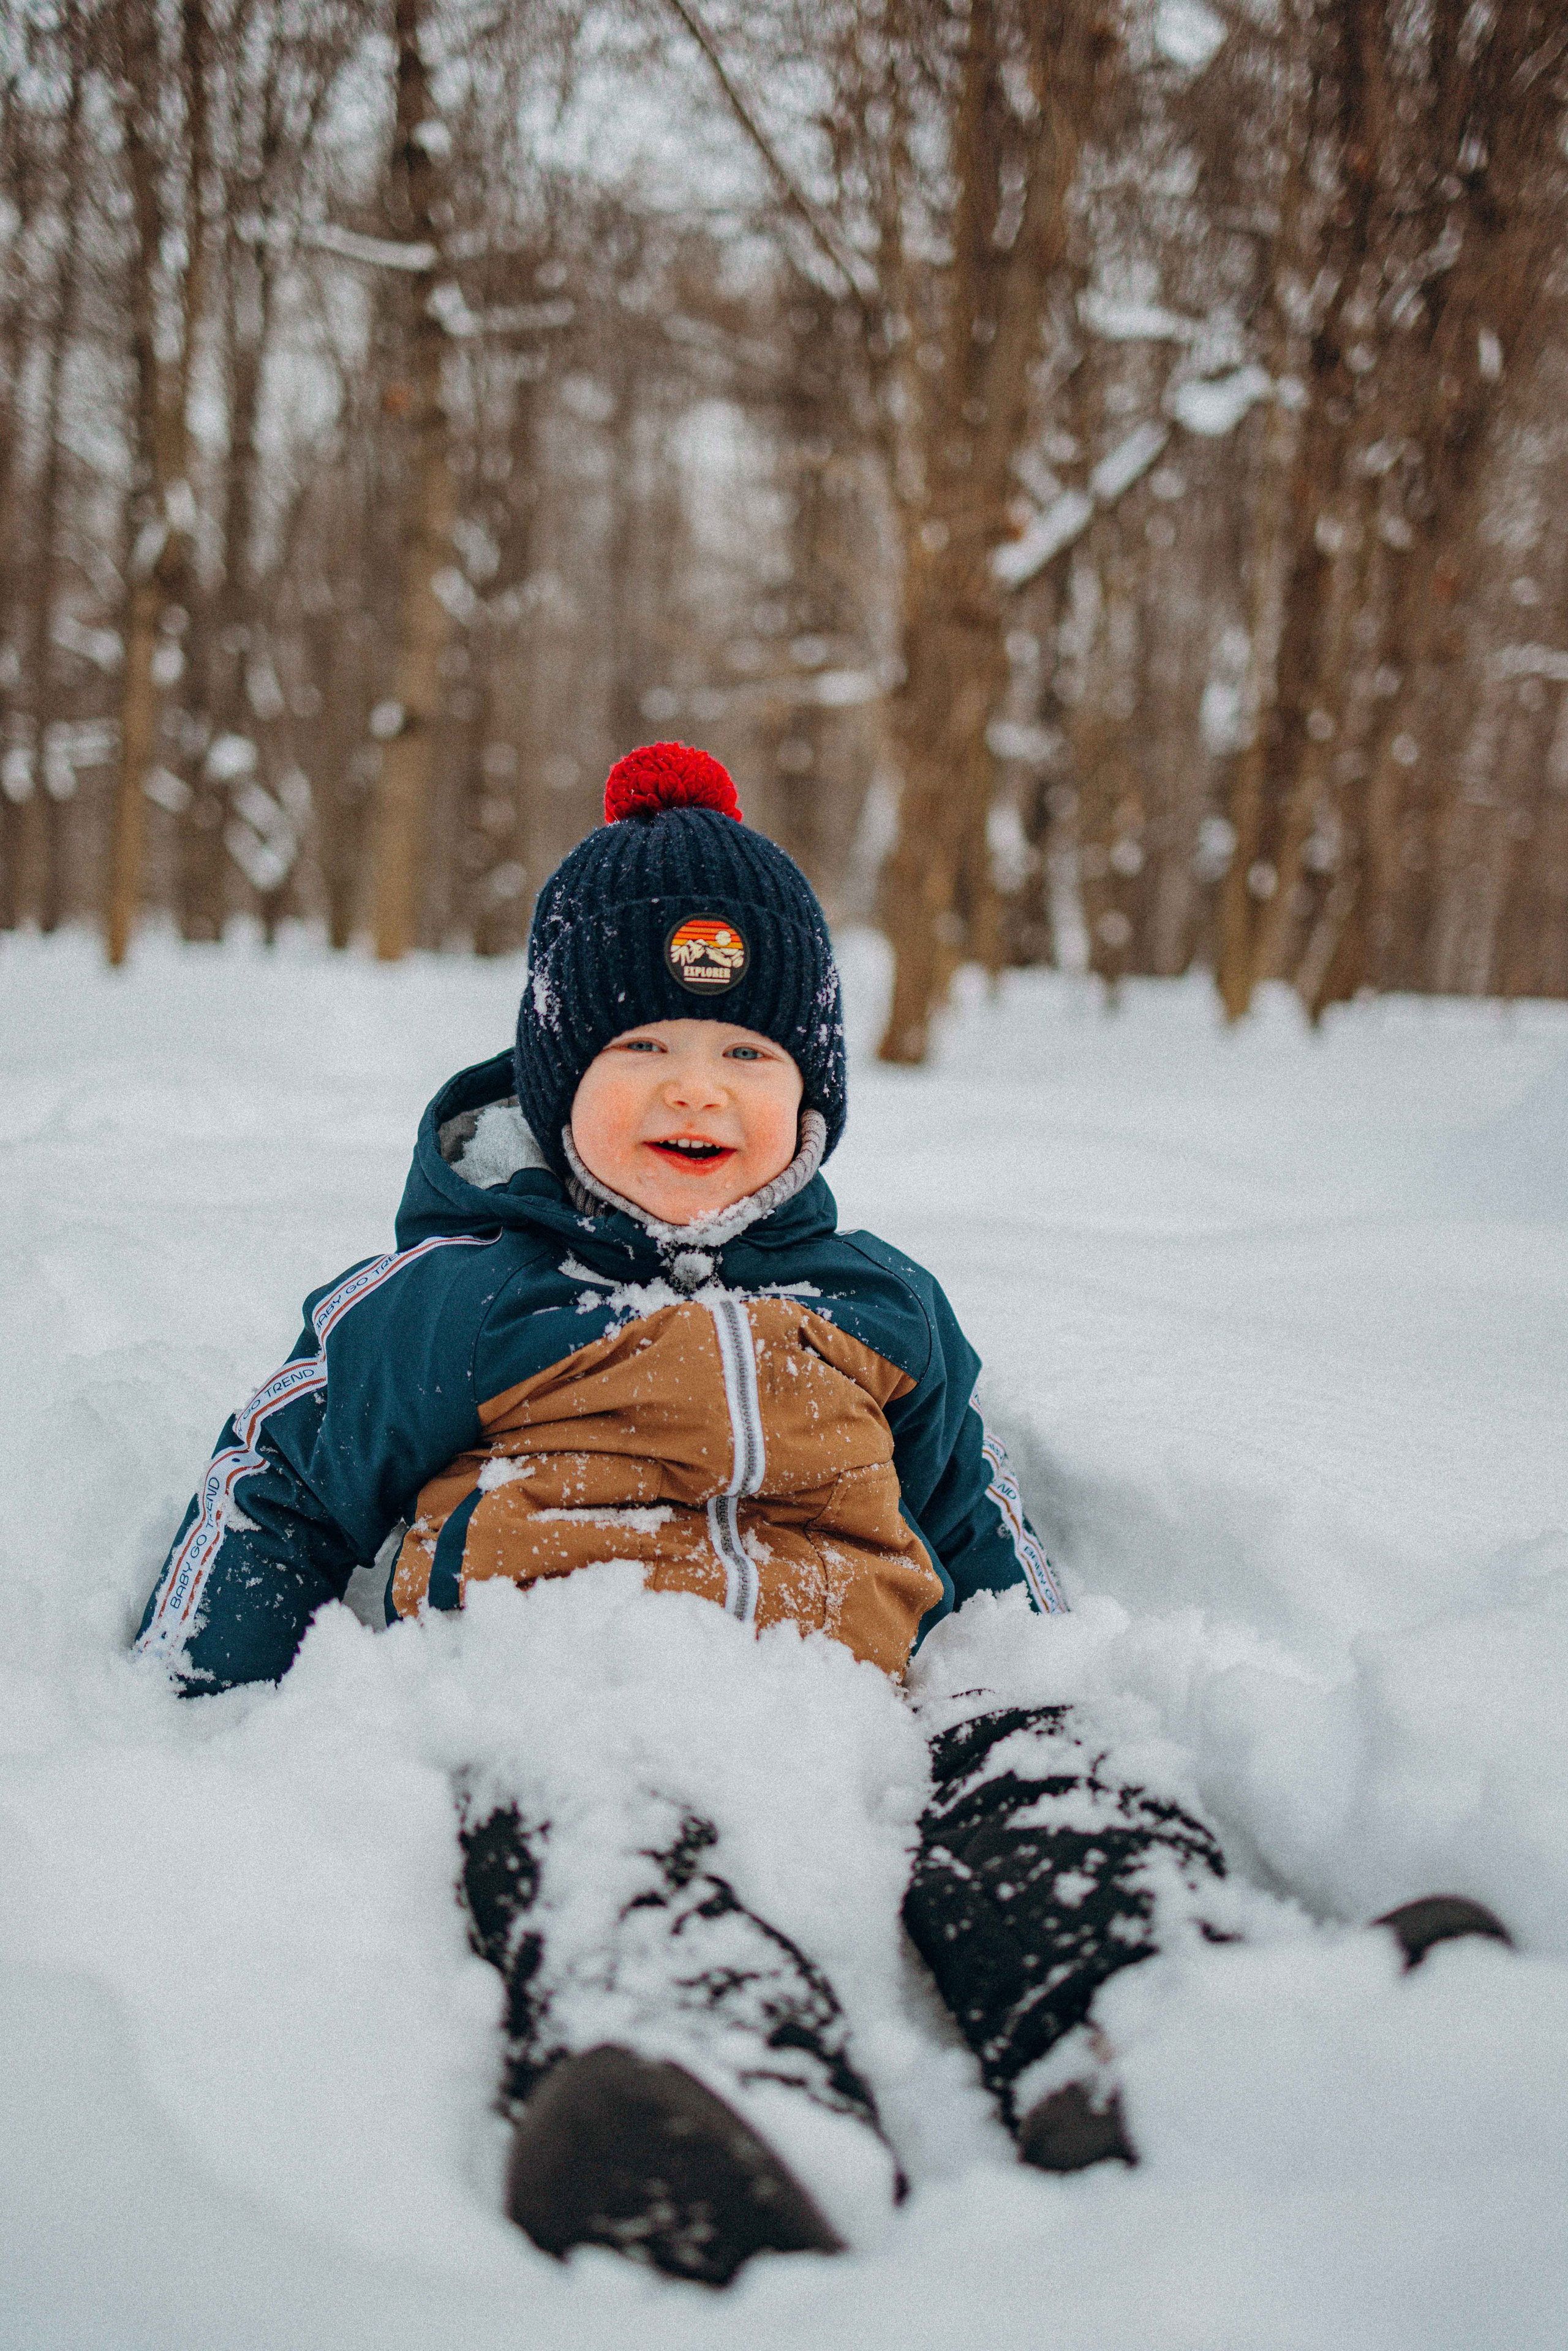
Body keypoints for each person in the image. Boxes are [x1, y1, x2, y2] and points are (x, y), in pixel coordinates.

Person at [134, 744, 1510, 2286]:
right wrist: (210, 1708)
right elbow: (274, 1464)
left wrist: (1026, 1670)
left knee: (1042, 1786)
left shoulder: (875, 1301)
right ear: (552, 1074)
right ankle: (720, 2086)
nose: (693, 1087)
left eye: (746, 1053)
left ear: (814, 1093)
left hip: (870, 1689)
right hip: (584, 1685)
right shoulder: (461, 1298)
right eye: (639, 1042)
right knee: (603, 1849)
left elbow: (965, 1506)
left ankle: (1181, 2013)